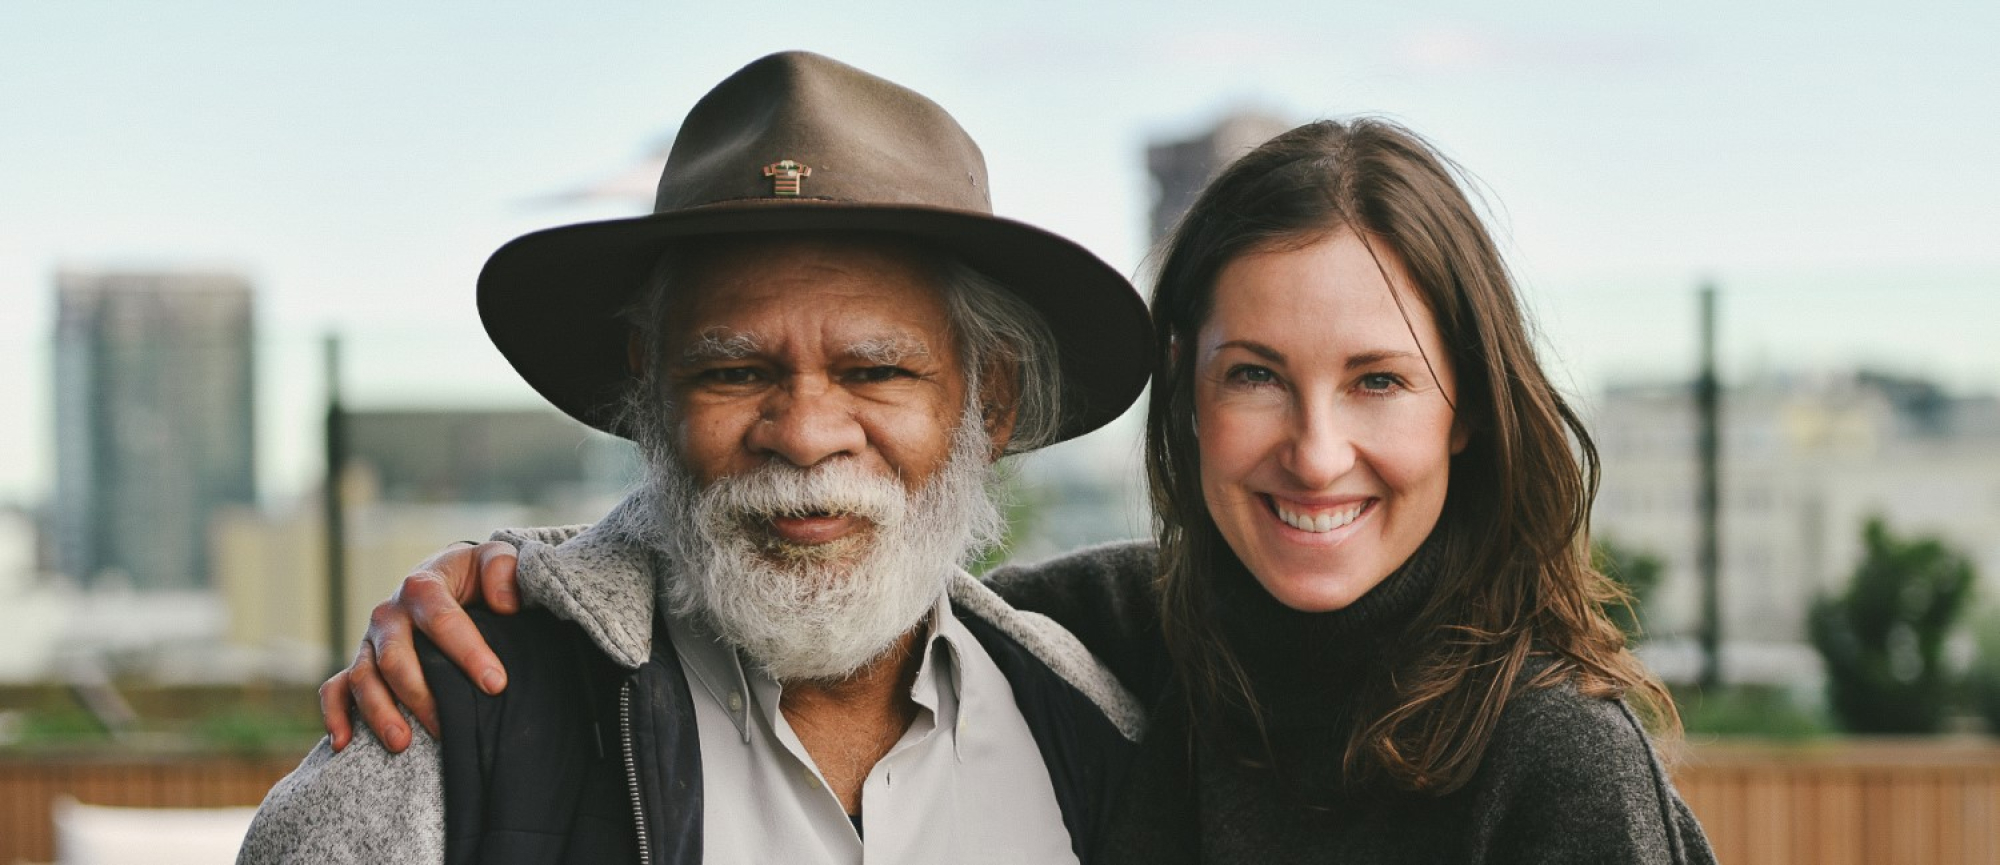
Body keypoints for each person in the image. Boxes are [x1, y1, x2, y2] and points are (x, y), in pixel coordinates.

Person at [331, 120, 1717, 862]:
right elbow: (805, 552)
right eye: (1253, 377)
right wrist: (523, 588)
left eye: (1378, 380)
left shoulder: (1552, 761)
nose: (1313, 449)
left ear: (986, 403)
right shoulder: (1104, 644)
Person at [238, 50, 1157, 865]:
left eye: (874, 370)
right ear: (653, 394)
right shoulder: (457, 722)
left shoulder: (1096, 733)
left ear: (986, 402)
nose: (803, 434)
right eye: (733, 370)